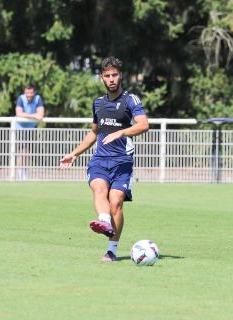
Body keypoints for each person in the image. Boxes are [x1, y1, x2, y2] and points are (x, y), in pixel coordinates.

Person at [59, 57, 149, 262]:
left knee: (116, 201)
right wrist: (75, 153)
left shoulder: (130, 100)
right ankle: (104, 221)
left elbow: (143, 125)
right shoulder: (98, 103)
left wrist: (121, 133)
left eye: (114, 75)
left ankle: (112, 250)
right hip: (99, 160)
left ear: (120, 75)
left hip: (122, 161)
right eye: (107, 76)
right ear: (102, 78)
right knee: (99, 189)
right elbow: (93, 133)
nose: (111, 79)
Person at [15, 84, 45, 179]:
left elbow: (40, 114)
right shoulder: (21, 98)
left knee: (28, 152)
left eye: (31, 92)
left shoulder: (37, 98)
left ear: (34, 92)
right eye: (27, 92)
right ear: (24, 92)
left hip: (31, 129)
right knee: (21, 151)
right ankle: (19, 173)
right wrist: (33, 116)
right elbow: (19, 113)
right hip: (20, 128)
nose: (29, 95)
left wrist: (34, 115)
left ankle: (24, 172)